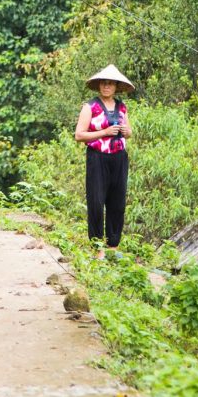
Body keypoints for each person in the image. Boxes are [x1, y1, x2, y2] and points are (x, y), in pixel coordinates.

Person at [74, 64, 134, 257]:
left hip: (119, 158)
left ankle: (113, 247)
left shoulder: (122, 107)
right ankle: (97, 247)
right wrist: (104, 133)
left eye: (110, 84)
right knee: (96, 201)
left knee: (117, 203)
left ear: (116, 86)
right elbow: (79, 135)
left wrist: (126, 131)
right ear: (99, 85)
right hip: (97, 158)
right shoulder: (90, 106)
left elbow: (130, 132)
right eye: (103, 83)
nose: (106, 87)